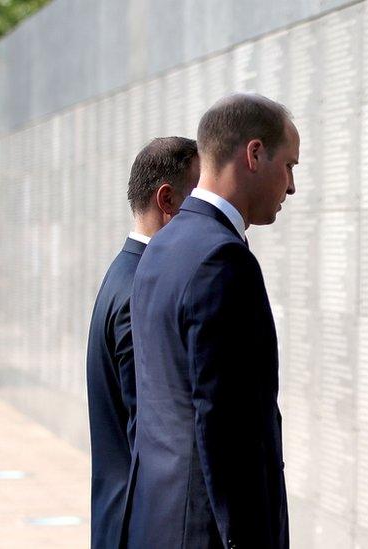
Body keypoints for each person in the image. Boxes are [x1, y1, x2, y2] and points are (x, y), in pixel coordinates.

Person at [126, 93, 298, 549]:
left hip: (158, 523)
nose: (293, 187)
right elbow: (228, 428)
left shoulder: (161, 244)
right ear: (255, 154)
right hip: (206, 533)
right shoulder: (222, 258)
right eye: (289, 166)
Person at [86, 136, 200, 549]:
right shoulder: (141, 290)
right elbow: (151, 437)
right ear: (167, 200)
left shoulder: (126, 272)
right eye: (197, 197)